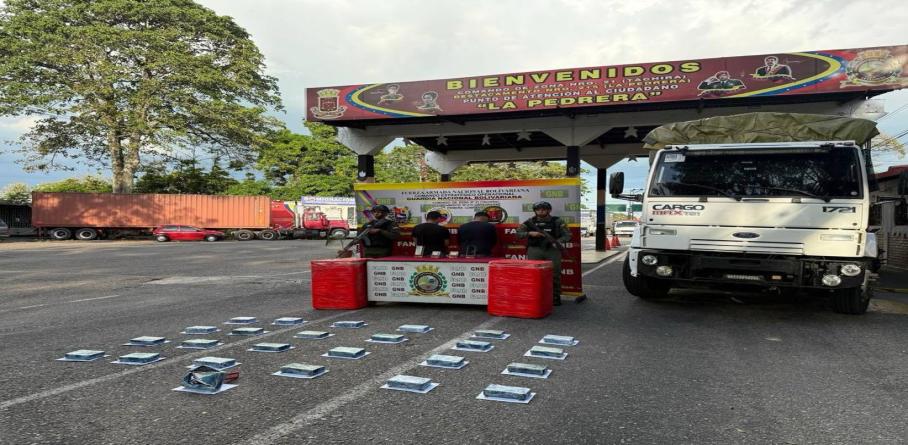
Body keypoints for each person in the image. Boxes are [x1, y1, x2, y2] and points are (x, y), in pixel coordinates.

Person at [517, 201, 571, 306]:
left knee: (555, 273)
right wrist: (530, 233)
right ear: (535, 211)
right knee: (533, 273)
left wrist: (559, 242)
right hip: (535, 250)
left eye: (543, 209)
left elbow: (567, 235)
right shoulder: (529, 222)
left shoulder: (557, 221)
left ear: (548, 210)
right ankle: (535, 296)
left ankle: (555, 297)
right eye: (538, 209)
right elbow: (518, 233)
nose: (541, 211)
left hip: (552, 250)